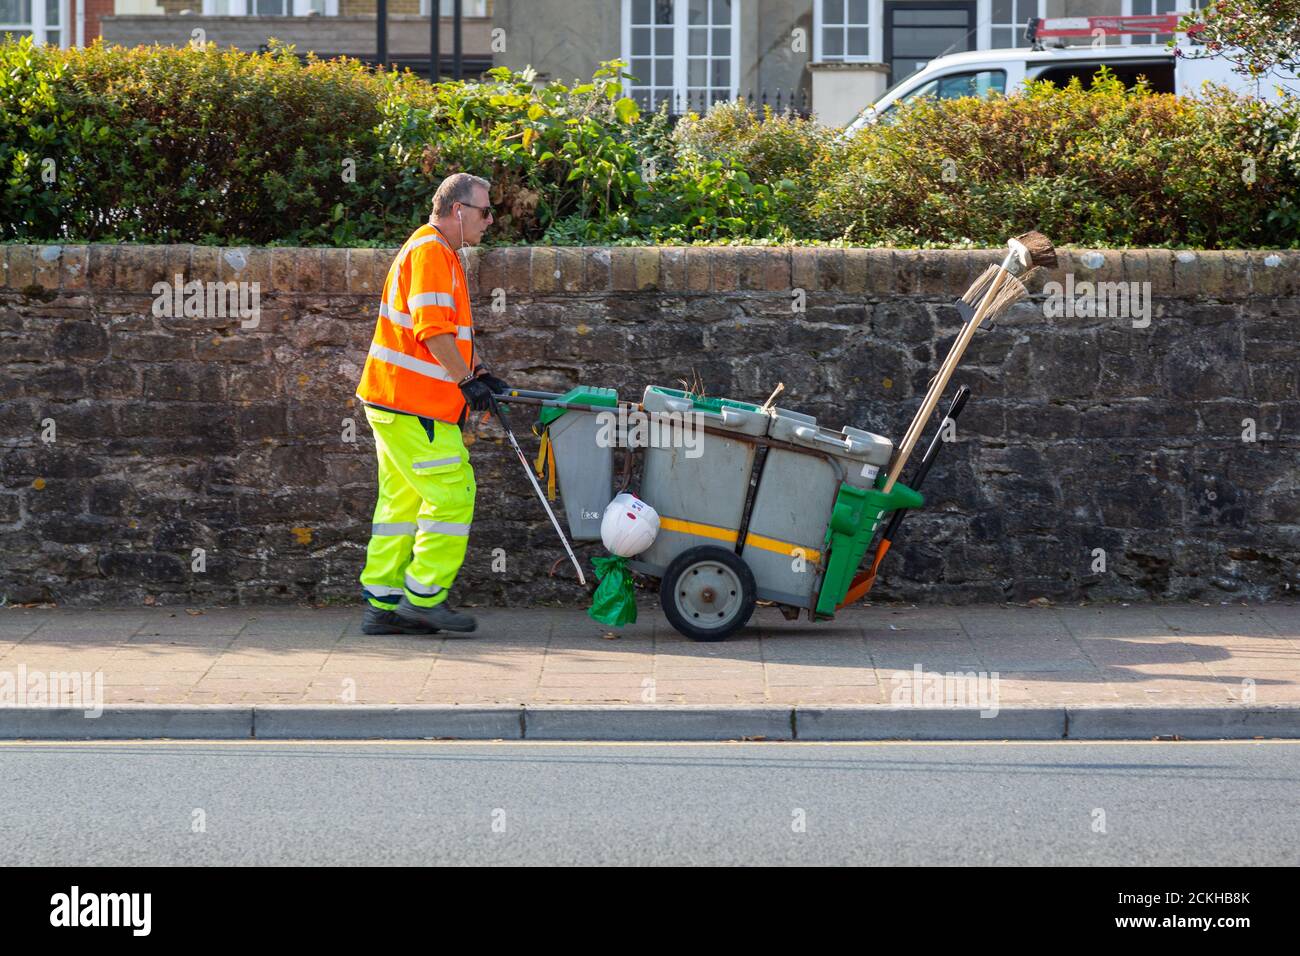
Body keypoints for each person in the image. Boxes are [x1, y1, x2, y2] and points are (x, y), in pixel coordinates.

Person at [354, 173, 506, 635]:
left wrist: (477, 372)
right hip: (415, 403)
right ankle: (423, 597)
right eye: (484, 211)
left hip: (393, 397)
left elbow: (451, 331)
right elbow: (432, 329)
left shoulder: (436, 252)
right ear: (458, 210)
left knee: (400, 504)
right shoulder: (432, 253)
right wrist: (465, 380)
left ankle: (382, 605)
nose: (490, 220)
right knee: (453, 494)